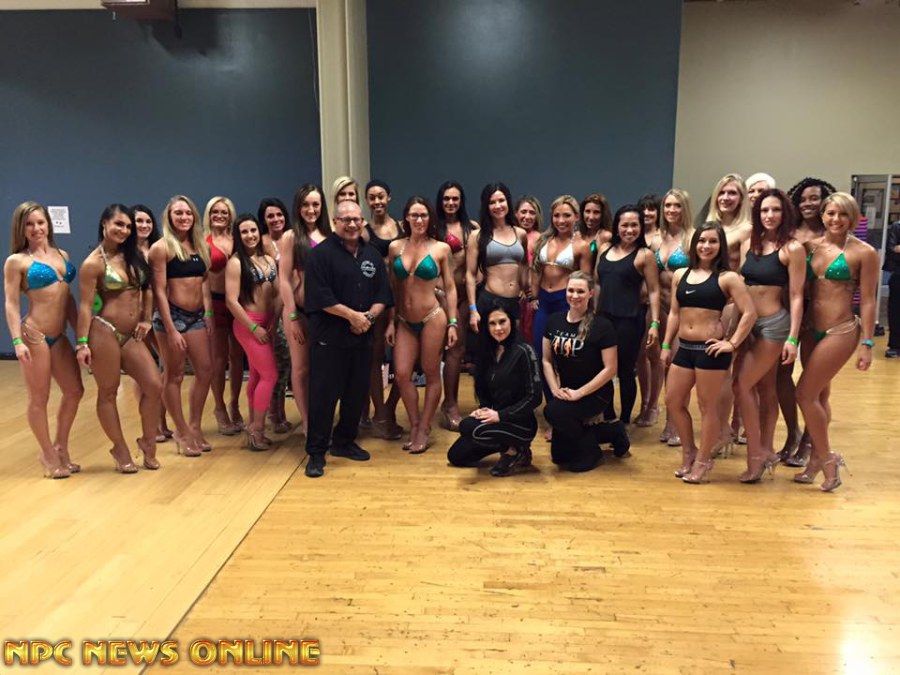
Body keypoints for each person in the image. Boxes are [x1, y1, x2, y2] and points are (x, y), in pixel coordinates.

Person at [794, 193, 878, 492]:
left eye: (843, 214)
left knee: (804, 394)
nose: (836, 220)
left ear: (853, 218)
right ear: (822, 215)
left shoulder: (864, 252)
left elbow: (868, 300)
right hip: (810, 329)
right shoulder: (810, 247)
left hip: (840, 330)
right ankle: (816, 458)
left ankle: (828, 460)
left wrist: (867, 343)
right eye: (831, 213)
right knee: (820, 395)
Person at [302, 200, 392, 478]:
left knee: (356, 393)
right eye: (345, 220)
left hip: (362, 337)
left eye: (356, 219)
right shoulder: (320, 255)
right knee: (323, 397)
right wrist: (352, 317)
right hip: (329, 339)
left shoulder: (372, 254)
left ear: (363, 221)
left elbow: (383, 294)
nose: (352, 224)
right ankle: (316, 452)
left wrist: (368, 318)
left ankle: (344, 442)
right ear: (335, 223)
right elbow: (320, 296)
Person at [661, 223, 756, 484]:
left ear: (720, 246)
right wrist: (666, 345)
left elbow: (749, 312)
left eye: (713, 241)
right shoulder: (681, 274)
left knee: (707, 407)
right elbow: (674, 313)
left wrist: (732, 343)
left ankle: (703, 461)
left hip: (710, 350)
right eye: (702, 241)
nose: (706, 246)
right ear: (694, 244)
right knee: (673, 401)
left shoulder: (728, 278)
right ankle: (689, 452)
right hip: (684, 347)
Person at [76, 204, 161, 472]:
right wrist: (81, 344)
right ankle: (119, 448)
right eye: (118, 224)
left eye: (127, 226)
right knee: (108, 391)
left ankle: (148, 441)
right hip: (104, 331)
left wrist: (147, 318)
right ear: (104, 224)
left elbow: (147, 288)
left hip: (132, 333)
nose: (124, 230)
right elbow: (85, 306)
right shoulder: (93, 264)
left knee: (154, 385)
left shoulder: (134, 255)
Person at [4, 201, 84, 478]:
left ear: (48, 224)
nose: (36, 228)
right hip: (34, 335)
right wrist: (17, 341)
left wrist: (81, 336)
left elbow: (68, 298)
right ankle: (47, 454)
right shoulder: (17, 261)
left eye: (40, 222)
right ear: (21, 228)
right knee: (39, 397)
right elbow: (11, 303)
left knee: (75, 391)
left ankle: (60, 445)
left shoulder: (62, 254)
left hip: (58, 336)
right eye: (29, 224)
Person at [734, 189, 805, 482]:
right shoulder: (749, 243)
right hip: (748, 324)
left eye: (775, 210)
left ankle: (756, 455)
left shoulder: (792, 248)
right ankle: (766, 450)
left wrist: (792, 338)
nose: (770, 215)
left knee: (742, 385)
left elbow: (797, 295)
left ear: (784, 213)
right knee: (765, 388)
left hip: (774, 325)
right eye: (764, 210)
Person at [386, 197, 458, 454]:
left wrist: (453, 322)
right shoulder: (395, 247)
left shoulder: (441, 249)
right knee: (402, 374)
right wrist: (391, 321)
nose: (419, 220)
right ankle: (415, 423)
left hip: (432, 317)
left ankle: (424, 428)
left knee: (431, 372)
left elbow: (450, 287)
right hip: (404, 320)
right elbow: (392, 287)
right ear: (406, 217)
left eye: (424, 215)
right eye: (414, 215)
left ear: (430, 218)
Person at [542, 271, 628, 472]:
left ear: (590, 293)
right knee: (559, 456)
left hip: (595, 393)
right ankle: (612, 431)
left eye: (580, 291)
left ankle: (592, 452)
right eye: (570, 290)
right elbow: (546, 360)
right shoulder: (554, 321)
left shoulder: (602, 326)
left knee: (553, 412)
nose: (574, 295)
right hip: (566, 391)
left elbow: (610, 369)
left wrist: (579, 393)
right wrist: (555, 390)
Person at [778, 177, 837, 465]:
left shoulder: (832, 234)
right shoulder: (787, 233)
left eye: (814, 198)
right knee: (780, 377)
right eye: (803, 199)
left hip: (819, 315)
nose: (808, 203)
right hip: (786, 311)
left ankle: (810, 441)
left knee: (816, 384)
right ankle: (792, 433)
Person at [148, 195, 213, 457]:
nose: (184, 217)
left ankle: (194, 425)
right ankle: (181, 430)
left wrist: (208, 312)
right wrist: (171, 329)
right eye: (178, 213)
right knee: (174, 374)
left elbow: (204, 281)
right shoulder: (161, 248)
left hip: (196, 316)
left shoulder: (199, 245)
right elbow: (159, 291)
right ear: (169, 216)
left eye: (187, 213)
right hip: (171, 317)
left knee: (205, 371)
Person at [447, 303, 542, 476]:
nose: (498, 328)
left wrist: (500, 415)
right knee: (456, 456)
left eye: (502, 322)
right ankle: (508, 446)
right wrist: (483, 410)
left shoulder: (525, 351)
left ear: (511, 322)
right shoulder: (487, 352)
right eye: (492, 323)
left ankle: (514, 450)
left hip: (520, 423)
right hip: (496, 419)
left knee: (468, 426)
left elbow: (535, 397)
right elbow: (485, 392)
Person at [595, 204, 661, 425]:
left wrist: (654, 324)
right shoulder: (604, 249)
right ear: (617, 226)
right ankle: (607, 416)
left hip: (629, 321)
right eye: (625, 225)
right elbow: (597, 283)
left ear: (641, 228)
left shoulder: (645, 255)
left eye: (634, 225)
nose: (629, 230)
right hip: (603, 319)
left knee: (625, 371)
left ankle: (623, 421)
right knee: (603, 369)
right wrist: (592, 315)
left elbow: (654, 290)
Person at [278, 183, 330, 436]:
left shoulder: (330, 235)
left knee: (324, 370)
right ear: (298, 207)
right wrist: (292, 315)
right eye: (306, 205)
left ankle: (322, 417)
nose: (311, 210)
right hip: (298, 312)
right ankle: (308, 423)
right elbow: (284, 279)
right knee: (301, 369)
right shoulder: (291, 237)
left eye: (315, 204)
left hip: (326, 314)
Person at [226, 214, 281, 450]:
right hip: (248, 325)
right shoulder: (236, 263)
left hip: (267, 323)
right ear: (238, 236)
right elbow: (231, 301)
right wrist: (253, 327)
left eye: (253, 230)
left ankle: (253, 425)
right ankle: (257, 429)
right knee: (270, 375)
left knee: (258, 376)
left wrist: (275, 320)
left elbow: (277, 293)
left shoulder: (268, 259)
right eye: (244, 232)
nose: (250, 235)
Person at [644, 188, 694, 443]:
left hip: (683, 310)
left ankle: (674, 421)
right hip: (657, 308)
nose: (672, 210)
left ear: (685, 208)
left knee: (676, 365)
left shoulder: (693, 238)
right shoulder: (656, 240)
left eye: (677, 206)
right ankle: (652, 406)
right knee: (654, 359)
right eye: (668, 206)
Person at [435, 180, 479, 430]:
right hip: (437, 296)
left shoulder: (472, 228)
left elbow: (477, 265)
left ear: (461, 201)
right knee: (435, 352)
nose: (450, 203)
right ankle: (438, 403)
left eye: (455, 198)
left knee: (456, 349)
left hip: (463, 296)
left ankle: (451, 403)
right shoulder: (433, 227)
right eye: (446, 198)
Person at [362, 179, 403, 439]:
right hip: (377, 300)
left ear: (389, 197)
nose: (377, 201)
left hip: (403, 299)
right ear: (367, 201)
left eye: (381, 196)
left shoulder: (402, 227)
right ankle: (379, 414)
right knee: (375, 360)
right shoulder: (364, 232)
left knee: (405, 362)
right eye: (372, 197)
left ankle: (389, 408)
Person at [530, 195, 592, 364]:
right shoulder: (543, 240)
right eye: (556, 215)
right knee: (539, 349)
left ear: (576, 217)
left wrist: (582, 308)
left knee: (563, 352)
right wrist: (533, 296)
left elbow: (586, 279)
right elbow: (536, 270)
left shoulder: (582, 246)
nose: (561, 220)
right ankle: (545, 383)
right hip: (544, 301)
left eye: (566, 215)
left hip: (565, 301)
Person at [203, 196, 244, 435]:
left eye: (224, 212)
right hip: (216, 302)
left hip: (237, 304)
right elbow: (201, 279)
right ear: (209, 215)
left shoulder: (237, 239)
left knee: (237, 357)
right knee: (218, 360)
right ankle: (219, 408)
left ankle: (235, 404)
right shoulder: (203, 242)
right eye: (215, 212)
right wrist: (207, 310)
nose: (219, 216)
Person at [466, 182, 528, 334]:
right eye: (492, 202)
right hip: (490, 300)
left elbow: (524, 265)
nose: (498, 206)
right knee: (488, 347)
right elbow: (470, 274)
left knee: (514, 346)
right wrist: (473, 309)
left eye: (501, 200)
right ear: (486, 206)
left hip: (514, 303)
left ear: (508, 202)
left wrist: (525, 288)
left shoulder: (520, 233)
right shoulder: (477, 236)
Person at [133, 204, 173, 441]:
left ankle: (162, 420)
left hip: (159, 314)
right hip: (137, 319)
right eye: (139, 221)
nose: (144, 225)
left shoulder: (157, 248)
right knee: (144, 373)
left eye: (148, 221)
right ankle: (150, 425)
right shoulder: (126, 253)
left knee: (167, 367)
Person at [257, 197, 293, 435]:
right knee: (277, 363)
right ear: (264, 219)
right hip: (271, 310)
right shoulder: (260, 242)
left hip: (291, 307)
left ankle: (280, 411)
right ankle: (273, 412)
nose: (275, 219)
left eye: (279, 214)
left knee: (288, 363)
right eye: (270, 216)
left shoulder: (291, 237)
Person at [635, 193, 662, 426]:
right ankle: (644, 402)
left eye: (651, 209)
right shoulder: (633, 234)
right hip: (635, 306)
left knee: (655, 355)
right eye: (643, 209)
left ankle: (654, 405)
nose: (647, 213)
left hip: (658, 305)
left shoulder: (663, 238)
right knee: (640, 357)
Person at [515, 195, 543, 344]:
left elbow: (538, 268)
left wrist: (532, 292)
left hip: (529, 296)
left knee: (529, 336)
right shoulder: (508, 235)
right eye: (523, 212)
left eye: (532, 212)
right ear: (515, 214)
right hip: (509, 292)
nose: (527, 216)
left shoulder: (540, 238)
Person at [579, 193, 613, 265]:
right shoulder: (578, 235)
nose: (591, 217)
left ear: (603, 215)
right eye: (587, 211)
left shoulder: (606, 236)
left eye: (596, 212)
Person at [885, 217, 900, 358]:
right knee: (895, 310)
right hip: (898, 274)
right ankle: (895, 345)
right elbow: (892, 249)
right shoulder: (897, 226)